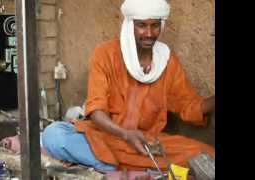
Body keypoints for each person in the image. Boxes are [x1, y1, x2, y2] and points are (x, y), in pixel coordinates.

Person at [42, 0, 215, 172]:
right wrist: (125, 134)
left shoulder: (167, 61)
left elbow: (189, 106)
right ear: (129, 24)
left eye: (155, 25)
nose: (149, 33)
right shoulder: (105, 54)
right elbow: (96, 111)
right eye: (142, 25)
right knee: (54, 134)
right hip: (104, 137)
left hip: (145, 143)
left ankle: (110, 166)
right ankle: (118, 165)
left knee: (204, 153)